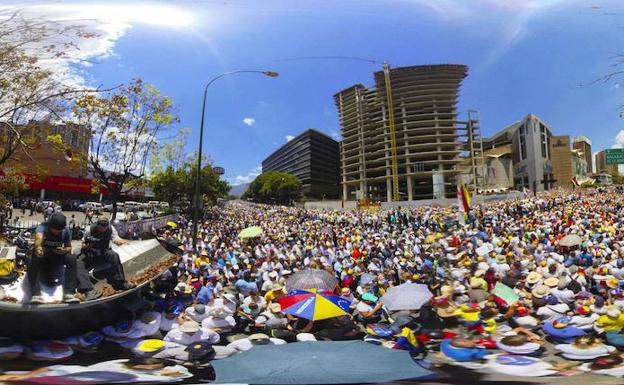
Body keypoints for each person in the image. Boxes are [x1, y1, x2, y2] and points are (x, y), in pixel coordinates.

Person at [28, 213, 80, 304]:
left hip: (57, 255)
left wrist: (63, 250)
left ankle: (69, 293)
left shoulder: (65, 231)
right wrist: (38, 248)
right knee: (31, 257)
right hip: (43, 256)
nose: (56, 232)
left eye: (59, 230)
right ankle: (36, 294)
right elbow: (38, 239)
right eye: (54, 229)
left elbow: (69, 247)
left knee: (72, 258)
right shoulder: (42, 227)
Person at [78, 218, 134, 295]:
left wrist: (119, 241)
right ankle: (87, 289)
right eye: (101, 227)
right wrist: (90, 244)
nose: (103, 230)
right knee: (79, 262)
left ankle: (120, 282)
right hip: (90, 252)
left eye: (105, 227)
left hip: (103, 251)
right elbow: (83, 245)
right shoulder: (89, 230)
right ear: (97, 225)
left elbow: (115, 238)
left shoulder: (111, 229)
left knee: (114, 255)